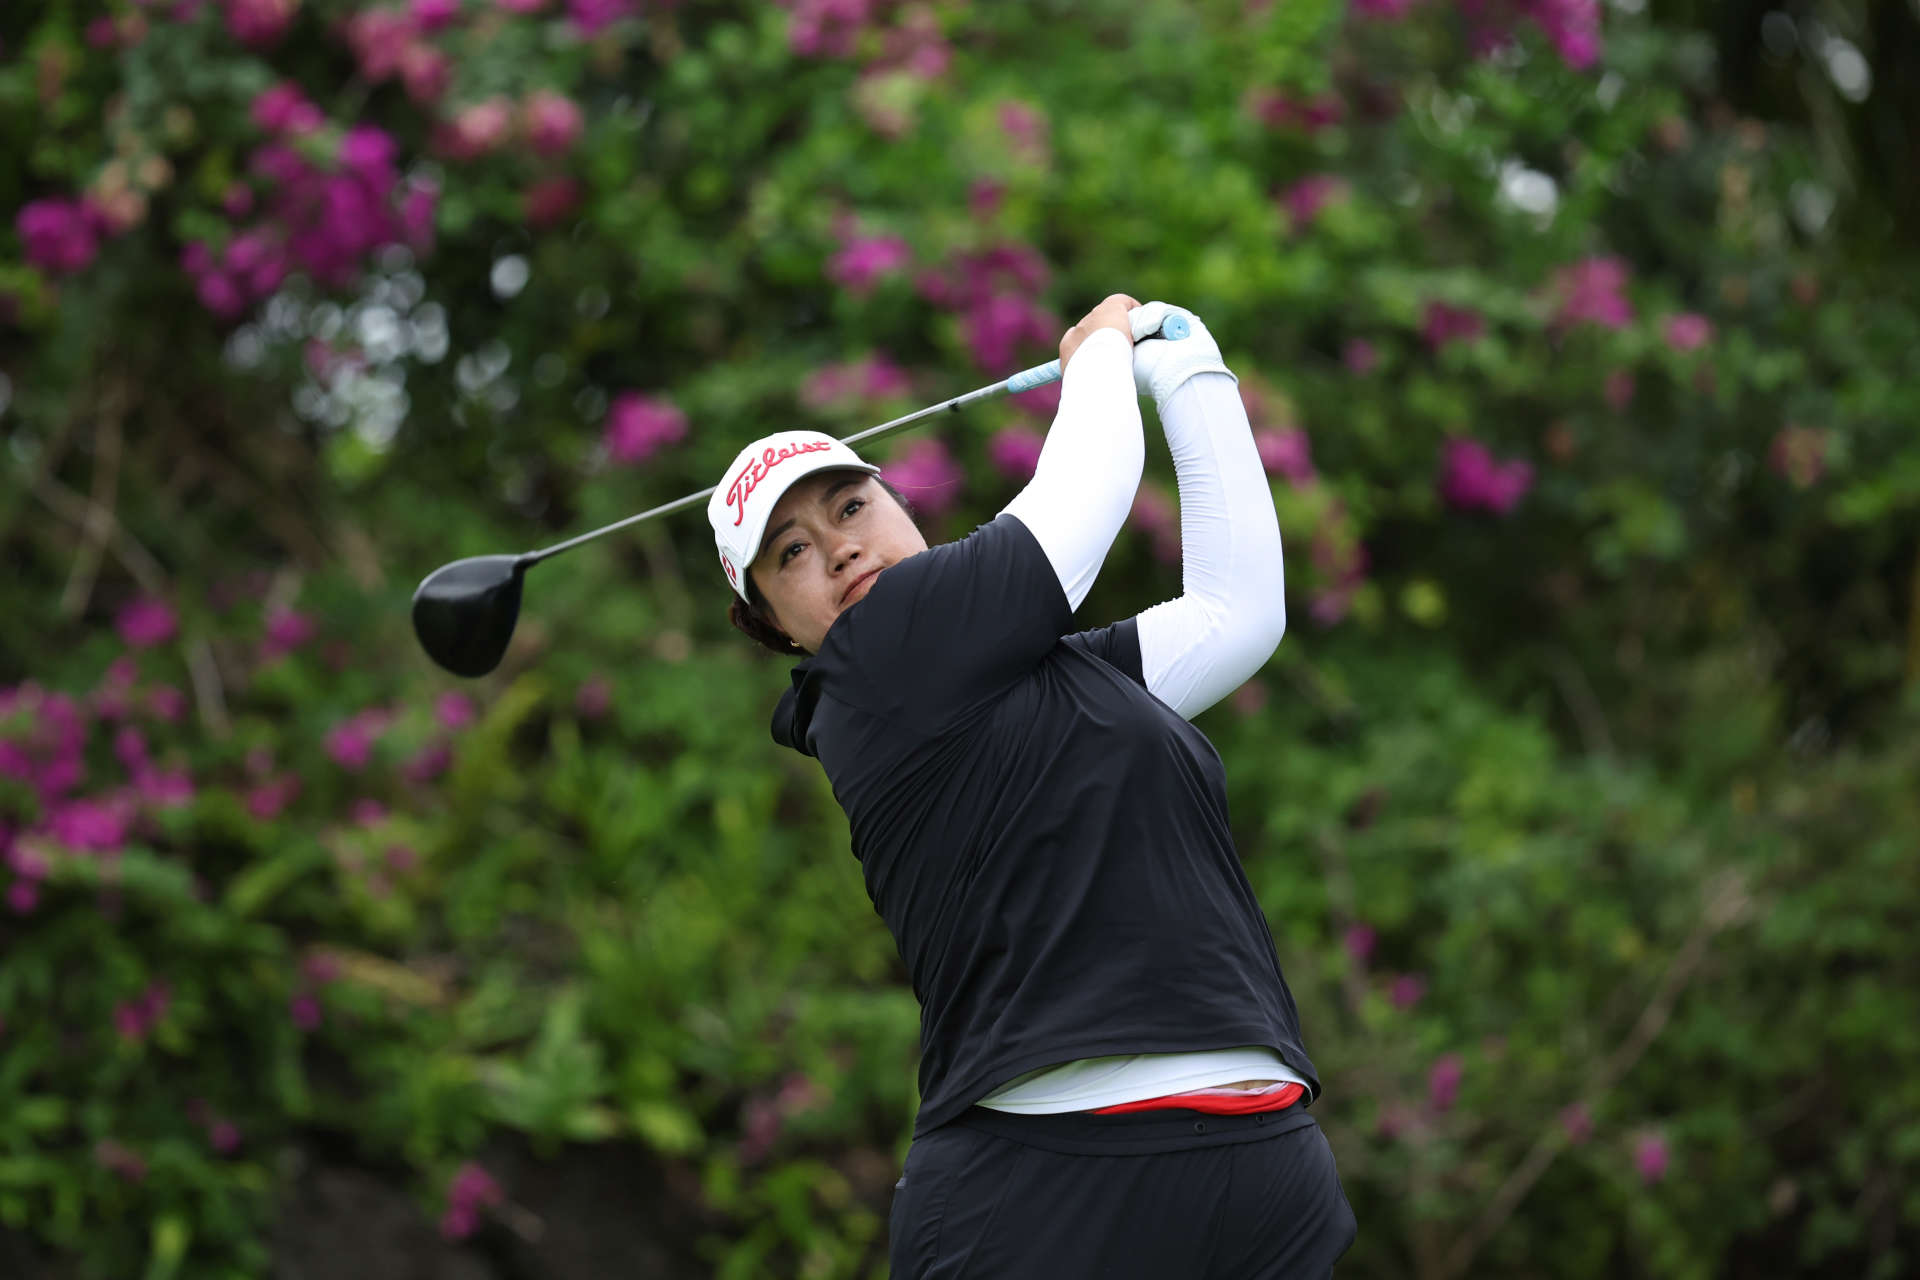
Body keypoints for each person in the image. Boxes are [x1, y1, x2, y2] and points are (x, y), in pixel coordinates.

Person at [706, 295, 1355, 1278]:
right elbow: (1077, 510)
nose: (836, 544)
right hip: (1049, 1184)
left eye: (849, 506)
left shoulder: (1055, 675)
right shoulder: (871, 666)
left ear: (900, 505)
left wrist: (1190, 372)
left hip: (1257, 1156)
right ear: (770, 626)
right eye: (790, 551)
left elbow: (1237, 613)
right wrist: (1100, 355)